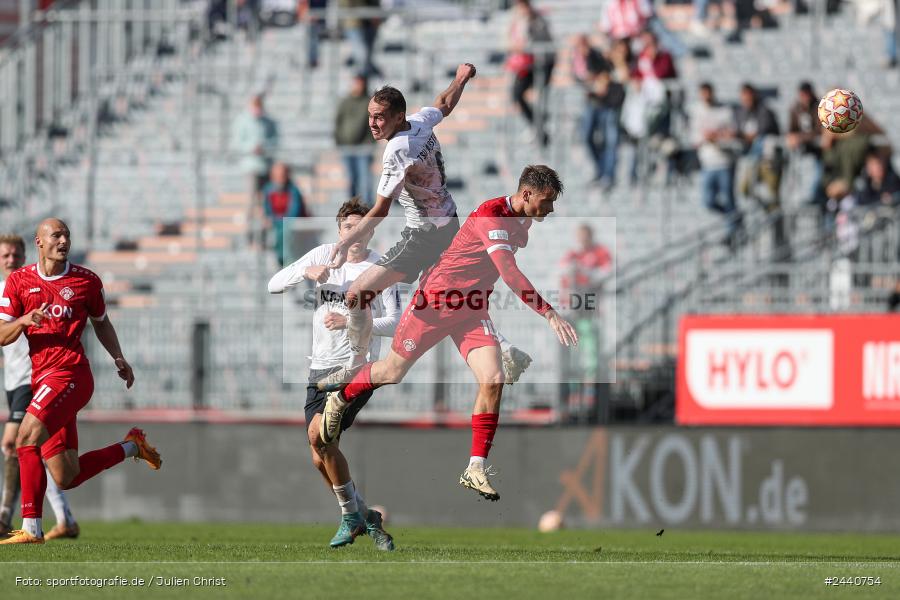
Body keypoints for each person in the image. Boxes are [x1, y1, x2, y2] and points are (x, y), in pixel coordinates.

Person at [319, 166, 579, 501]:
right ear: (527, 194)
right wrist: (548, 312)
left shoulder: (523, 222)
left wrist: (499, 337)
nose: (551, 208)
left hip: (470, 308)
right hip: (436, 302)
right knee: (391, 372)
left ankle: (475, 468)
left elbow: (484, 267)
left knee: (494, 378)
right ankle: (340, 399)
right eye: (547, 201)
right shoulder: (491, 216)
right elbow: (509, 272)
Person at [319, 64, 532, 390]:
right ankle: (504, 347)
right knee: (451, 299)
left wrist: (344, 244)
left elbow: (380, 210)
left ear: (398, 116)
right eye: (371, 116)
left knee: (356, 295)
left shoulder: (396, 150)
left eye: (380, 117)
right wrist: (460, 79)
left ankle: (354, 364)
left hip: (423, 236)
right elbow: (444, 103)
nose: (373, 124)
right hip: (450, 223)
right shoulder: (419, 121)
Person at [0, 219, 161, 544]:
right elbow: (2, 334)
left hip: (72, 375)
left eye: (67, 235)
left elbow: (102, 323)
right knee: (65, 475)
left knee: (25, 437)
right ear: (40, 242)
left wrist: (118, 356)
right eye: (56, 235)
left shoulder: (86, 281)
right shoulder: (18, 281)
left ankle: (30, 528)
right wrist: (22, 320)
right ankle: (132, 446)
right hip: (41, 381)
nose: (63, 241)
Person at [268, 198, 397, 550]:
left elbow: (396, 322)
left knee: (318, 437)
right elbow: (274, 284)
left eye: (362, 227)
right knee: (318, 452)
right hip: (319, 366)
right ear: (339, 231)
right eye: (347, 228)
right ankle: (364, 516)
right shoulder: (322, 254)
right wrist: (304, 273)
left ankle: (350, 516)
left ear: (371, 231)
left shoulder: (382, 266)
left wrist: (352, 321)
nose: (354, 234)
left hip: (357, 369)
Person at [0, 235, 80, 540]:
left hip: (33, 379)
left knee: (15, 442)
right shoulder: (7, 290)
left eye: (15, 255)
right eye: (5, 255)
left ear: (26, 254)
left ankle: (8, 516)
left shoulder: (30, 285)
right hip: (15, 380)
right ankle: (65, 518)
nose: (11, 260)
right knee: (50, 459)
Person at [691, 82, 742, 240]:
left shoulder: (724, 111)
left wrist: (717, 137)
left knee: (728, 198)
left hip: (725, 161)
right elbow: (694, 138)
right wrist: (706, 137)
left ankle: (732, 231)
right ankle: (734, 218)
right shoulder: (697, 111)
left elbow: (733, 135)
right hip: (708, 163)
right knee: (708, 201)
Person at [573, 35, 624, 188]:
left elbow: (610, 75)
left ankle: (608, 174)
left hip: (608, 104)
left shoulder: (598, 56)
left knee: (610, 140)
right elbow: (580, 78)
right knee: (587, 136)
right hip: (593, 102)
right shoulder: (578, 60)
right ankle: (600, 169)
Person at [231, 94, 280, 244]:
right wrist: (251, 148)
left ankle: (264, 235)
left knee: (266, 202)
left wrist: (264, 147)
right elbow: (236, 143)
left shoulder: (269, 122)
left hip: (266, 166)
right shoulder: (242, 121)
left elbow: (276, 140)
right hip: (251, 167)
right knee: (252, 201)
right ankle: (249, 234)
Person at [506, 0, 555, 147]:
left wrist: (525, 46)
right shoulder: (515, 20)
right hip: (525, 65)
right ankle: (538, 125)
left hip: (541, 63)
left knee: (540, 96)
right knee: (516, 94)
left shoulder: (538, 20)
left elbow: (542, 42)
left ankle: (540, 125)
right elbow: (508, 40)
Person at [335, 74, 376, 205]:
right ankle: (352, 207)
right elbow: (338, 122)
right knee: (351, 180)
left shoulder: (369, 102)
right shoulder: (345, 102)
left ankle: (368, 210)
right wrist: (339, 140)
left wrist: (370, 141)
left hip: (363, 148)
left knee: (365, 181)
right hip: (347, 147)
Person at [261, 161, 307, 266]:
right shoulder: (268, 190)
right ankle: (280, 258)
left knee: (285, 227)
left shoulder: (293, 190)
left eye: (282, 175)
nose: (280, 178)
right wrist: (271, 219)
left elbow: (294, 212)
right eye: (277, 175)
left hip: (291, 223)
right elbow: (267, 210)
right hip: (277, 223)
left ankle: (286, 259)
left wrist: (278, 220)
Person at [786, 82, 823, 204]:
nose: (804, 98)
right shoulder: (795, 109)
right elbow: (791, 130)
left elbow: (819, 131)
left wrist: (801, 137)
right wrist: (792, 138)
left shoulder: (820, 108)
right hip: (800, 154)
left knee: (815, 184)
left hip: (817, 154)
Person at [339, 0, 382, 77]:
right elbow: (346, 5)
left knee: (367, 56)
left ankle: (363, 81)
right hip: (354, 24)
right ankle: (360, 81)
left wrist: (376, 13)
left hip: (370, 23)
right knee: (362, 55)